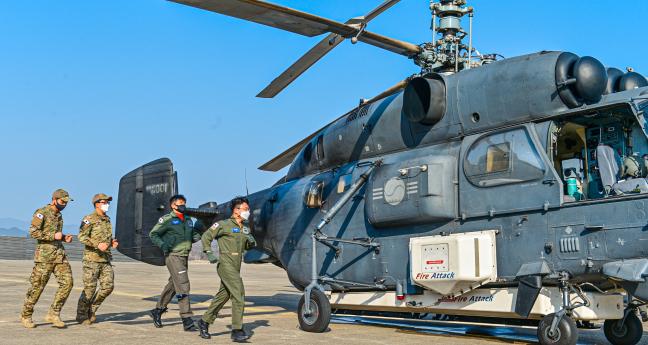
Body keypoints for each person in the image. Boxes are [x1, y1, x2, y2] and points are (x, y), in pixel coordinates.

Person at [197, 196, 256, 342]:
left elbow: (246, 246)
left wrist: (251, 241)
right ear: (236, 210)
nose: (248, 212)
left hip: (236, 265)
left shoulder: (245, 228)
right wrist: (209, 253)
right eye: (245, 209)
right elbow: (206, 237)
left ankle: (204, 321)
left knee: (223, 296)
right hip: (225, 264)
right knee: (239, 295)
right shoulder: (223, 225)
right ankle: (237, 330)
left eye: (248, 209)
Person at [21, 189, 74, 329]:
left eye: (66, 202)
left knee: (68, 283)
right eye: (63, 201)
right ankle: (26, 315)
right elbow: (33, 232)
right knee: (37, 287)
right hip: (44, 257)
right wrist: (53, 236)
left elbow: (56, 235)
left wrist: (63, 238)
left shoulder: (59, 215)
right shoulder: (42, 212)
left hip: (59, 255)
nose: (64, 204)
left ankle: (53, 313)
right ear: (54, 199)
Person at [149, 194, 201, 331]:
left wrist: (198, 235)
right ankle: (187, 319)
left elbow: (193, 236)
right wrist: (164, 245)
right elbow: (153, 234)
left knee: (174, 284)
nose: (183, 205)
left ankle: (158, 310)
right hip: (174, 256)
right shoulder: (167, 219)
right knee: (183, 286)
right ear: (173, 205)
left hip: (184, 256)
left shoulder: (188, 220)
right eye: (180, 203)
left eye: (184, 202)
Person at [76, 193, 118, 325]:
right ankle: (81, 315)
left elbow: (105, 239)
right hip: (91, 260)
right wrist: (97, 244)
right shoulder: (89, 218)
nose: (107, 204)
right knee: (90, 289)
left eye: (108, 202)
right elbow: (81, 236)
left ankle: (92, 309)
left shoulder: (107, 219)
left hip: (105, 259)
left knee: (108, 286)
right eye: (104, 202)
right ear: (97, 203)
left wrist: (112, 242)